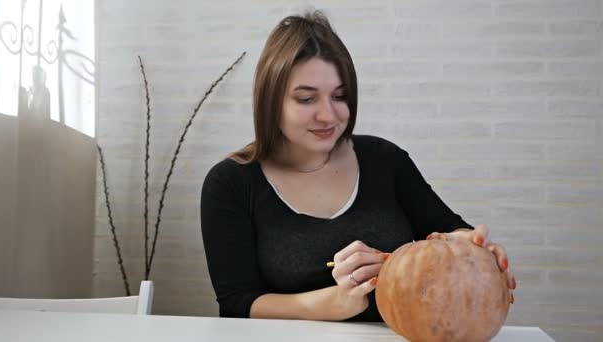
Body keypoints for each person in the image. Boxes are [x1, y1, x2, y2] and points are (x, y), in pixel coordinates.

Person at [200, 10, 516, 322]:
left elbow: (447, 231)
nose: (329, 115)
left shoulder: (385, 159)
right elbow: (237, 304)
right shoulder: (231, 182)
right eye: (306, 99)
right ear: (271, 101)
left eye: (340, 96)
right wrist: (332, 303)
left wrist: (473, 250)